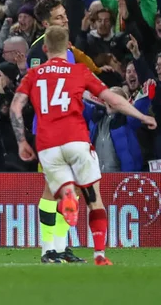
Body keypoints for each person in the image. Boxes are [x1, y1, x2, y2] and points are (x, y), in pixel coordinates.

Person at [10, 25, 157, 266]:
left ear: (45, 48)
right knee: (91, 195)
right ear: (68, 47)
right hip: (76, 140)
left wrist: (21, 141)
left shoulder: (34, 74)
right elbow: (113, 99)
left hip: (47, 144)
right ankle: (97, 253)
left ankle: (53, 249)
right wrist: (142, 116)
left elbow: (16, 108)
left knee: (53, 193)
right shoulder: (79, 72)